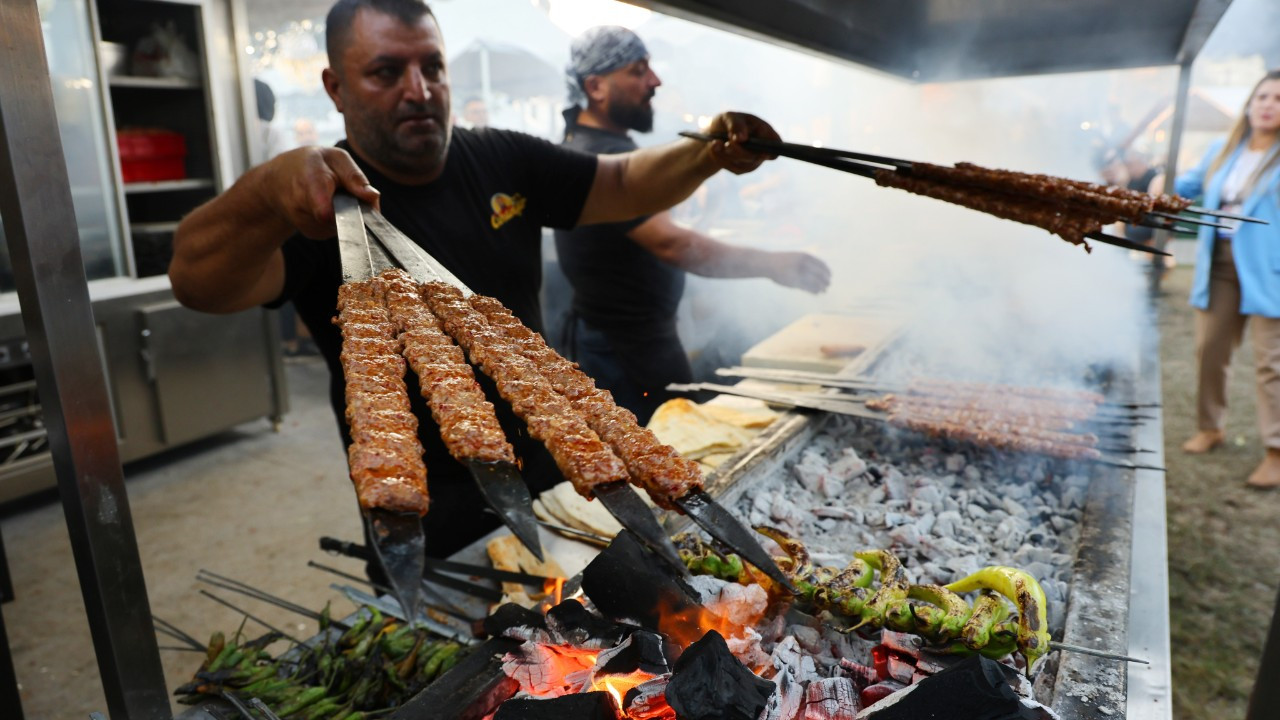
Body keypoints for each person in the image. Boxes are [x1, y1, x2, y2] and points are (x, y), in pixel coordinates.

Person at [168, 0, 786, 556]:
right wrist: (264, 194)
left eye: (431, 67)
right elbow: (196, 282)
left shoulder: (502, 156)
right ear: (335, 87)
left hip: (557, 466)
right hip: (423, 501)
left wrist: (707, 152)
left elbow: (621, 183)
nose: (419, 90)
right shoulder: (313, 203)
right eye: (386, 72)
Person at [554, 26, 831, 423]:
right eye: (637, 71)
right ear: (596, 87)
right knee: (665, 458)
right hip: (622, 350)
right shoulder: (595, 152)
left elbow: (651, 229)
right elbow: (672, 244)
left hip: (632, 339)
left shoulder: (603, 146)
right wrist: (775, 265)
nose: (655, 81)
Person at [1176, 70, 1280, 489]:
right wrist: (1150, 180)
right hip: (1218, 261)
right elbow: (1184, 186)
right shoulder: (1223, 149)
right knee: (1210, 349)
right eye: (1262, 96)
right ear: (1249, 104)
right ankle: (1210, 426)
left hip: (1269, 268)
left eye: (1277, 98)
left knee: (1270, 362)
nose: (1269, 104)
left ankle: (1275, 449)